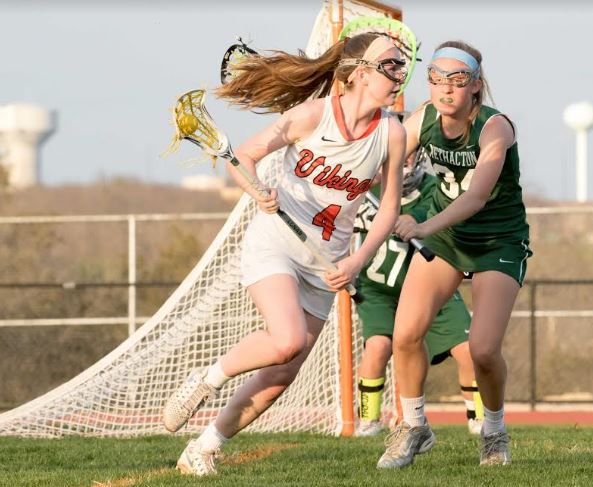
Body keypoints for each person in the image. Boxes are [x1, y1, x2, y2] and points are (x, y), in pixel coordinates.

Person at [162, 32, 408, 477]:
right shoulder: (313, 115)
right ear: (360, 73)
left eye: (401, 65)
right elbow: (245, 156)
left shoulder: (392, 132)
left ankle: (203, 448)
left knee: (281, 374)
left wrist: (357, 260)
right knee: (287, 339)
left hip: (327, 262)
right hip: (276, 243)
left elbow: (389, 208)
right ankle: (206, 379)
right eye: (390, 65)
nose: (400, 74)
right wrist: (257, 191)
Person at [377, 40, 532, 469]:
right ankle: (414, 427)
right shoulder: (422, 118)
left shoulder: (495, 127)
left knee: (482, 350)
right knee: (405, 335)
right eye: (437, 78)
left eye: (458, 79)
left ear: (476, 85)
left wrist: (421, 226)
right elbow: (384, 163)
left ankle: (494, 431)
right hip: (448, 239)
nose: (446, 88)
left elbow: (477, 196)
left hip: (496, 241)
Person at [353, 150, 483, 438]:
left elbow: (431, 213)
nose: (406, 161)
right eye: (400, 155)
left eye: (411, 155)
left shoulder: (435, 188)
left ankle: (479, 419)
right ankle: (369, 421)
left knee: (469, 350)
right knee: (377, 347)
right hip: (379, 290)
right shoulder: (366, 189)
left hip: (432, 286)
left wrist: (412, 219)